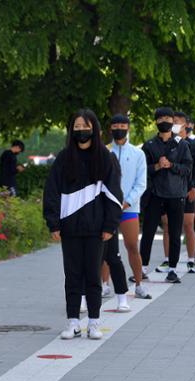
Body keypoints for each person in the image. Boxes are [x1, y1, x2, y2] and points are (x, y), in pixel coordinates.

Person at [43, 109, 123, 340]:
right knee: (72, 276)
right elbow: (52, 192)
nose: (81, 131)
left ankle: (94, 323)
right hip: (69, 229)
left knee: (92, 276)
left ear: (94, 129)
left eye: (85, 126)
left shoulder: (106, 158)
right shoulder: (63, 158)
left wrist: (110, 225)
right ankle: (73, 323)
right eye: (76, 127)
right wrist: (53, 223)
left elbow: (114, 194)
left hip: (97, 230)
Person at [139, 107, 193, 284]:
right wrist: (157, 166)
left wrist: (171, 165)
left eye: (168, 118)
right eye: (161, 118)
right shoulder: (149, 146)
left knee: (175, 232)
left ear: (173, 121)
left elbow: (187, 168)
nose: (165, 121)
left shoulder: (182, 144)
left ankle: (172, 269)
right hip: (154, 194)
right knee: (148, 232)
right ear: (155, 122)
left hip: (176, 194)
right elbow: (142, 171)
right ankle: (142, 268)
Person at [104, 114, 150, 305]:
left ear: (128, 127)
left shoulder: (138, 153)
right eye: (116, 125)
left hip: (129, 208)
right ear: (110, 128)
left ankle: (138, 284)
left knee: (132, 246)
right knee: (105, 248)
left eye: (123, 124)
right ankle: (104, 284)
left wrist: (127, 202)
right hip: (107, 206)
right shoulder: (104, 151)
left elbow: (141, 183)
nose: (119, 128)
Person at [157, 112, 195, 274]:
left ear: (186, 125)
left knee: (188, 224)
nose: (173, 124)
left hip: (187, 190)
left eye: (177, 122)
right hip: (168, 191)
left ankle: (191, 259)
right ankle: (167, 259)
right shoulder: (164, 142)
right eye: (172, 121)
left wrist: (194, 187)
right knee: (168, 225)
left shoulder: (193, 145)